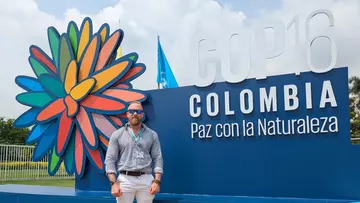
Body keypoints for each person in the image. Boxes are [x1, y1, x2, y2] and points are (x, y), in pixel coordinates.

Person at [105, 101, 163, 203]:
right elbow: (110, 159)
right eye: (132, 111)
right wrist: (113, 183)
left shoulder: (152, 135)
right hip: (125, 180)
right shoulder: (117, 135)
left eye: (138, 111)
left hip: (146, 180)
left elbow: (157, 158)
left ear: (142, 114)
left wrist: (157, 181)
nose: (135, 113)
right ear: (127, 114)